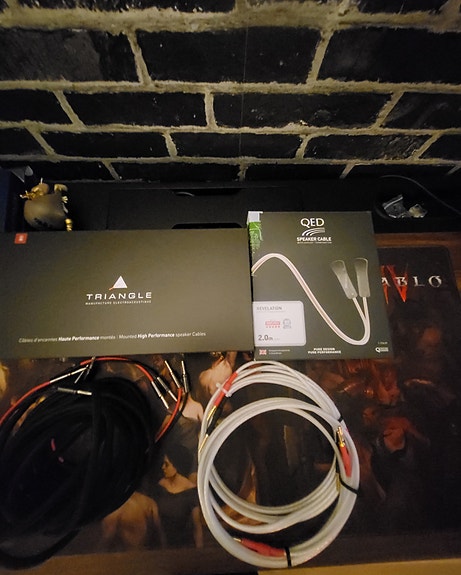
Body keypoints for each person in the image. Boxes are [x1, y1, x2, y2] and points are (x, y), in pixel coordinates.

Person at [152, 445, 203, 548]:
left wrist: (199, 551)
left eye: (167, 464)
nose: (163, 467)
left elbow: (196, 526)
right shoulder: (160, 487)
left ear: (177, 465)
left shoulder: (191, 492)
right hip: (161, 546)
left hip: (184, 546)